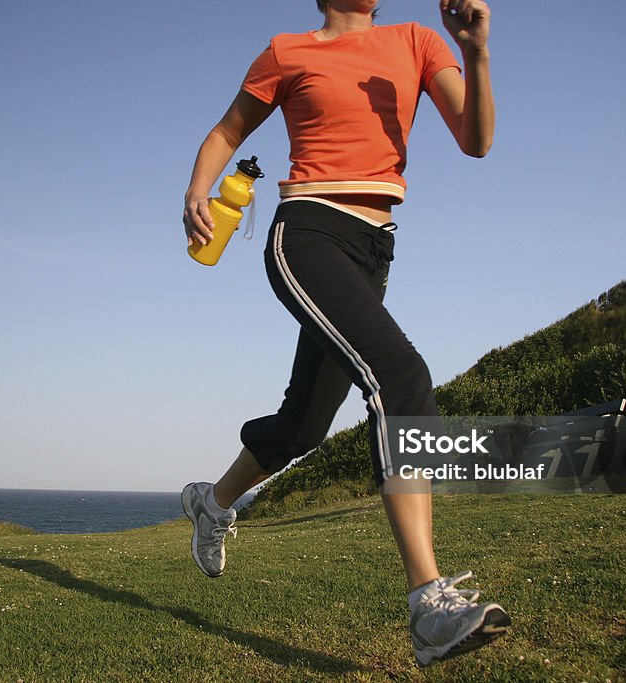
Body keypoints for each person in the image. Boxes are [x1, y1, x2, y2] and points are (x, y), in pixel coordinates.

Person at [181, 0, 508, 667]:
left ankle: (210, 504)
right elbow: (226, 130)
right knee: (402, 376)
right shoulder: (287, 51)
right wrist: (197, 187)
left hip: (373, 247)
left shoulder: (417, 41)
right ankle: (428, 605)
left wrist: (474, 50)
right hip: (306, 232)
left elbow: (475, 140)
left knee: (304, 423)